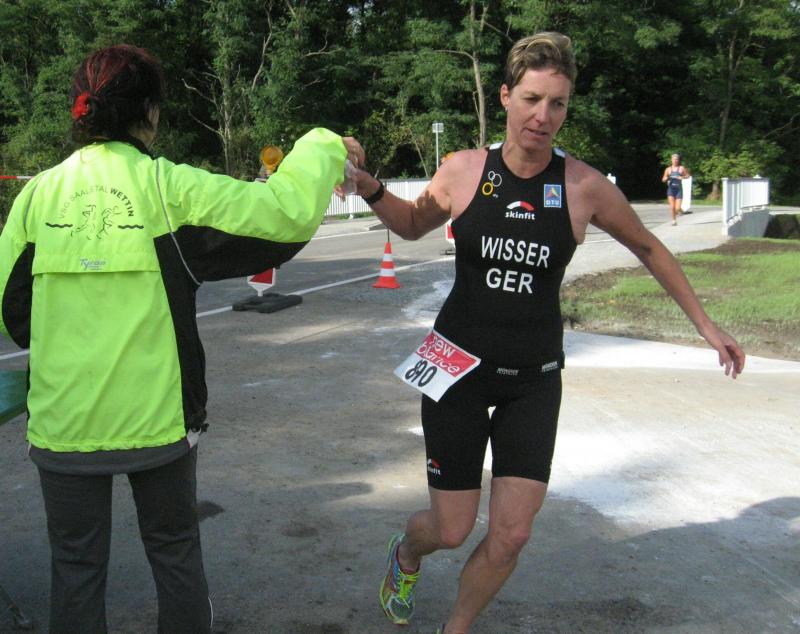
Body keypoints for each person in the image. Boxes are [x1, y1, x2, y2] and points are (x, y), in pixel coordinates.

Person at [347, 32, 745, 634]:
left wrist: (707, 327)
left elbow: (648, 246)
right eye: (532, 99)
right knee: (451, 529)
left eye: (557, 103)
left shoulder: (583, 187)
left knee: (512, 534)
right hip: (454, 368)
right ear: (506, 96)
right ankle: (406, 554)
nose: (543, 115)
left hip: (533, 379)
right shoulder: (463, 170)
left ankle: (456, 627)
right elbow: (409, 224)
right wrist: (371, 186)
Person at [0, 44, 364, 633]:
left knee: (75, 569)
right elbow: (285, 214)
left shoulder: (36, 196)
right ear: (149, 112)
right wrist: (324, 144)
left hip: (63, 423)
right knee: (174, 554)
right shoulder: (169, 189)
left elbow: (11, 310)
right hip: (159, 423)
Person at [662, 153, 691, 225]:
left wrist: (682, 177)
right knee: (672, 207)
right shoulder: (668, 169)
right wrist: (666, 179)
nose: (675, 161)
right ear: (671, 160)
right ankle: (674, 220)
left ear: (678, 160)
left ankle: (680, 211)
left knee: (677, 208)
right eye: (674, 159)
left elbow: (688, 176)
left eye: (676, 159)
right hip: (671, 190)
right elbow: (663, 179)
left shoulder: (681, 168)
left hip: (678, 190)